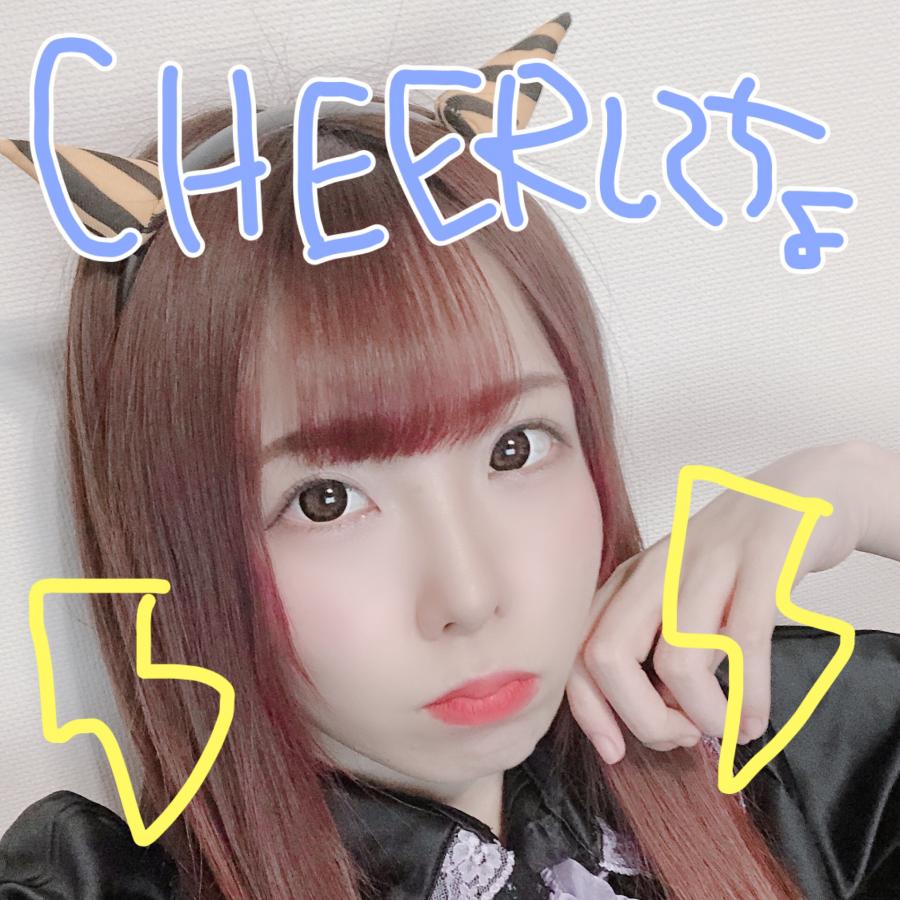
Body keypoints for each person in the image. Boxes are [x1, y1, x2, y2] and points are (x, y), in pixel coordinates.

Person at [1, 13, 898, 900]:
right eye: (324, 500)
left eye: (515, 447)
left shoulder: (767, 755)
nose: (470, 597)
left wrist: (858, 488)